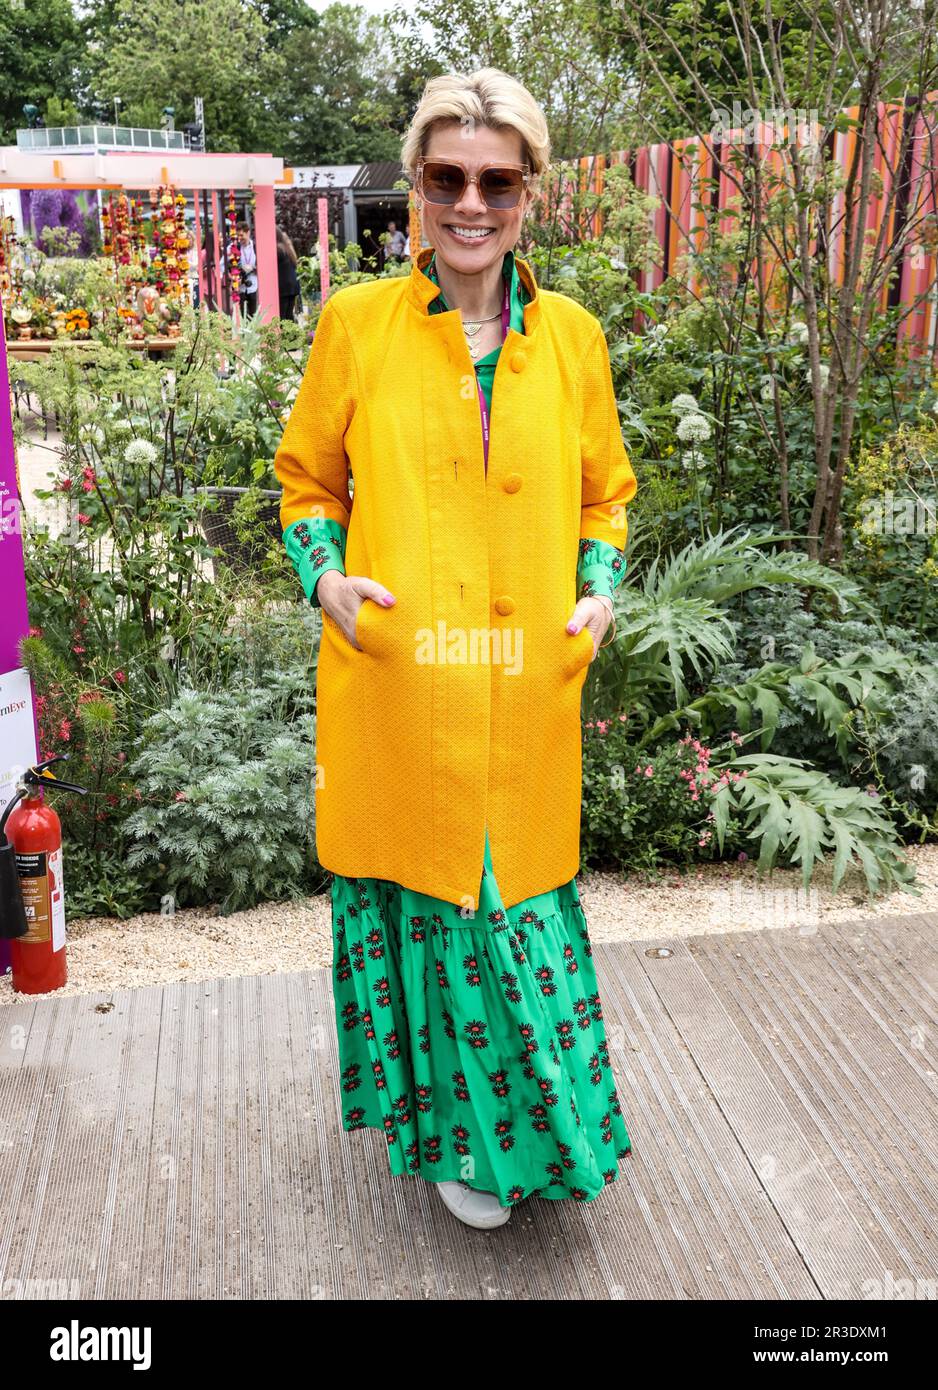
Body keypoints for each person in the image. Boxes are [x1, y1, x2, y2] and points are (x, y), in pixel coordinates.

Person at [274, 67, 637, 1232]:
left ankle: (513, 1136)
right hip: (399, 679)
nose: (470, 203)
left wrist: (598, 593)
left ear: (528, 193)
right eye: (446, 178)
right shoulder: (358, 327)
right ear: (415, 187)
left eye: (496, 180)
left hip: (525, 684)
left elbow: (604, 499)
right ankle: (452, 1135)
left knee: (509, 900)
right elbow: (302, 481)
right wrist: (323, 579)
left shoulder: (571, 338)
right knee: (431, 895)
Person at [276, 224, 301, 320]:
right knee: (289, 315)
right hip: (292, 286)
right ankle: (293, 333)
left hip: (284, 287)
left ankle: (287, 334)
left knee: (283, 316)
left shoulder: (278, 250)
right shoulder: (286, 248)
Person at [237, 221, 258, 315]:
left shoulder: (256, 247)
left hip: (254, 286)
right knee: (242, 316)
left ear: (248, 232)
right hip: (240, 287)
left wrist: (252, 267)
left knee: (253, 316)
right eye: (238, 236)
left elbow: (263, 265)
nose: (239, 238)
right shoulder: (235, 247)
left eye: (241, 235)